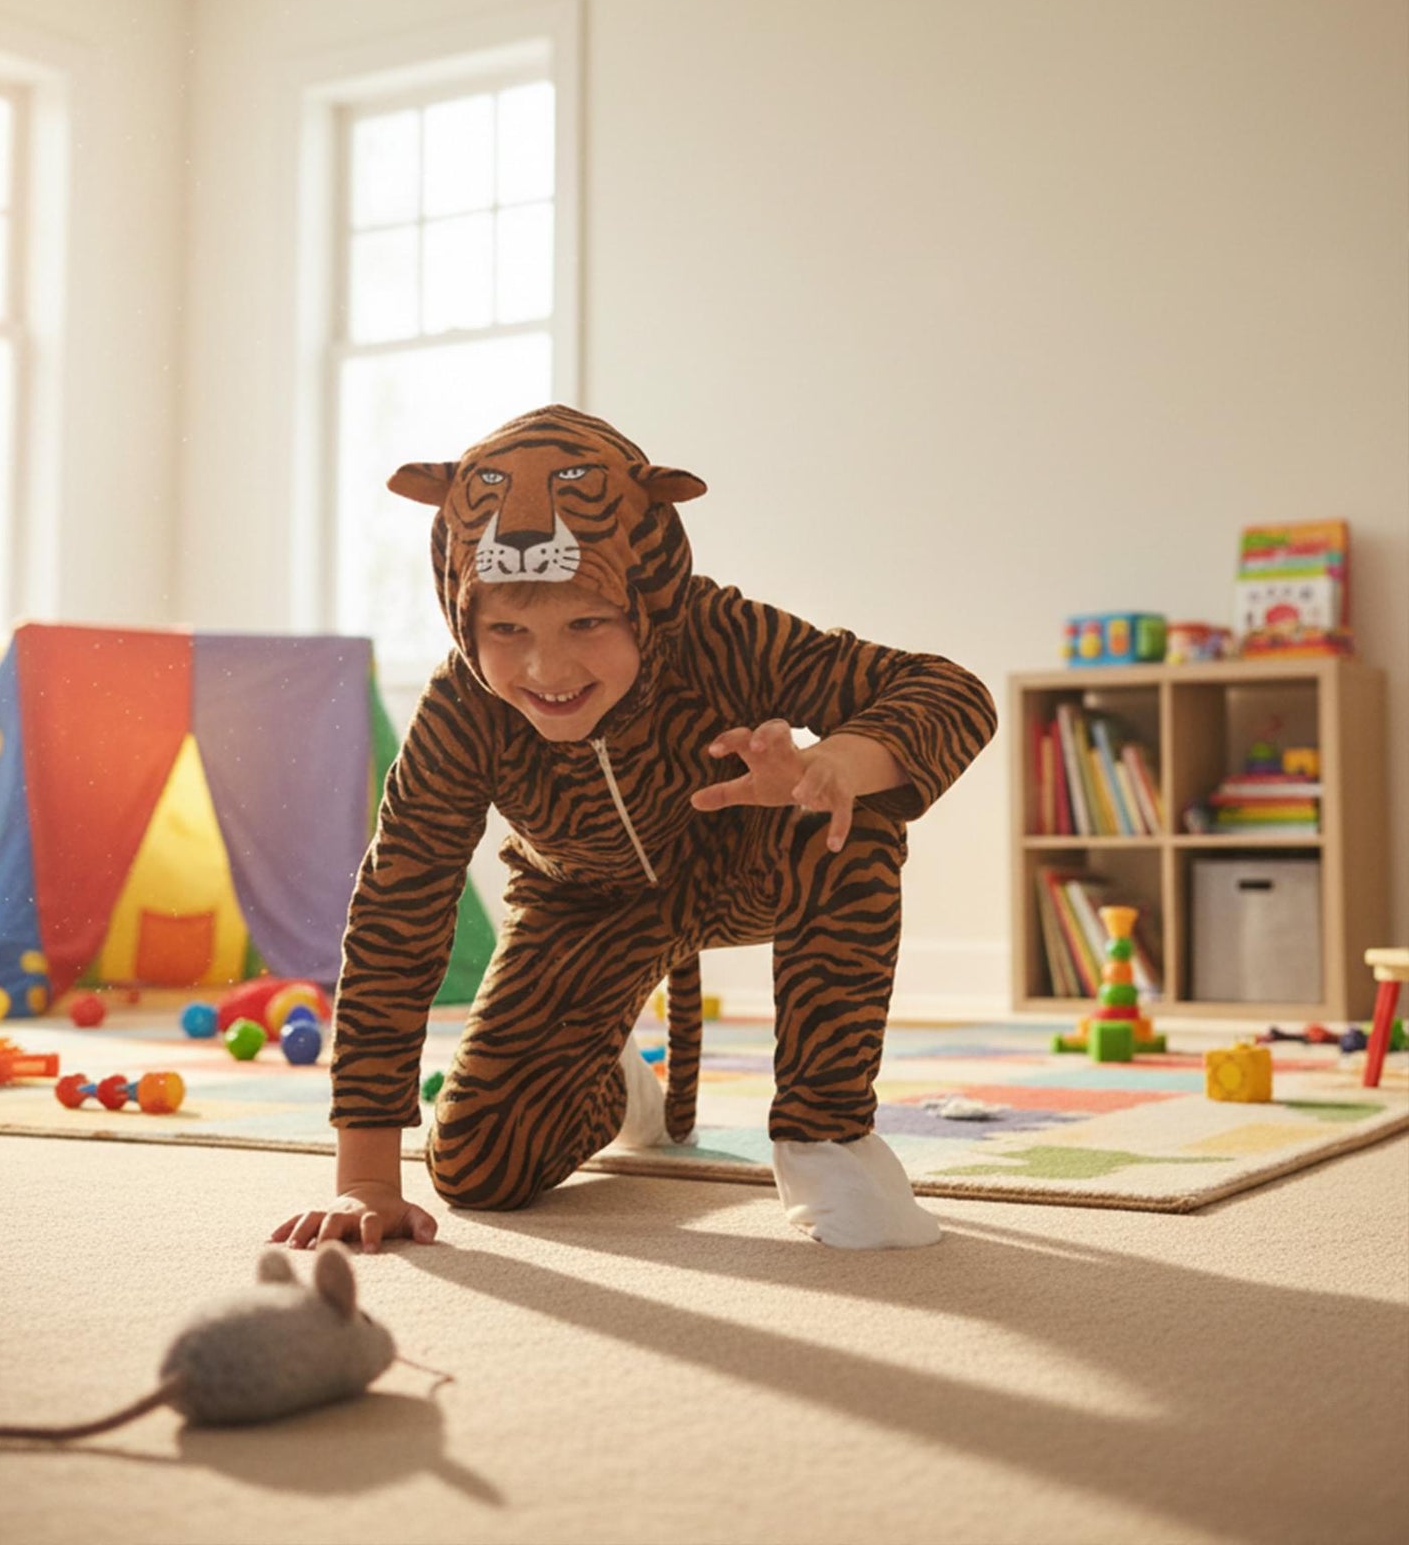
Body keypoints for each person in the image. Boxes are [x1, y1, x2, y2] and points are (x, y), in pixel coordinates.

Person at [272, 405, 995, 1253]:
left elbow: (950, 691)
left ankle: (827, 1139)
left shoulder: (720, 630)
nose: (547, 670)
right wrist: (365, 1179)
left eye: (586, 624)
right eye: (506, 631)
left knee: (848, 817)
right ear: (464, 618)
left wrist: (834, 762)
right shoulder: (462, 708)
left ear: (646, 598)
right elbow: (401, 904)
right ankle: (615, 1080)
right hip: (583, 904)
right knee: (479, 1170)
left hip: (743, 859)